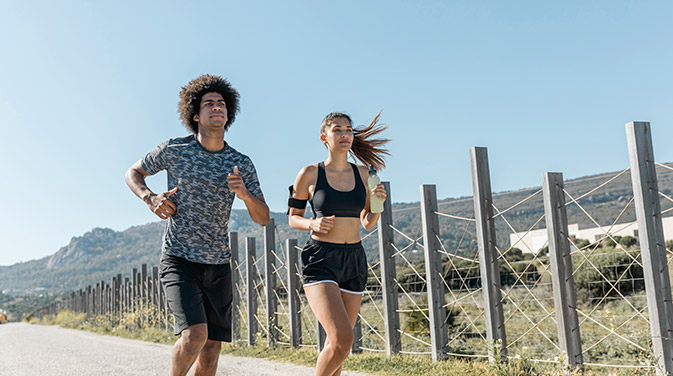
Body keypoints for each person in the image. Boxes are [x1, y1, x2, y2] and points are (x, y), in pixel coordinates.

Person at [125, 74, 269, 376]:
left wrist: (244, 194)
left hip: (218, 263)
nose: (217, 107)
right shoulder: (175, 149)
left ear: (229, 112)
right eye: (209, 103)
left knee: (212, 349)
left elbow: (263, 216)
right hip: (179, 258)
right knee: (195, 336)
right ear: (195, 114)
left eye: (221, 103)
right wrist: (150, 198)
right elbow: (133, 173)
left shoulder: (241, 162)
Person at [288, 112, 390, 376]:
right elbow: (293, 218)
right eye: (337, 130)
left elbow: (368, 222)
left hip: (354, 258)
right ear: (324, 138)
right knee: (343, 341)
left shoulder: (365, 173)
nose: (345, 134)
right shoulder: (309, 174)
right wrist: (312, 224)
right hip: (321, 259)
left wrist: (378, 203)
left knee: (337, 348)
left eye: (348, 129)